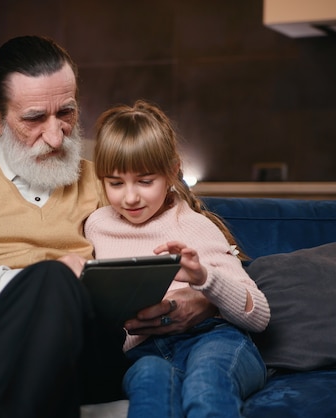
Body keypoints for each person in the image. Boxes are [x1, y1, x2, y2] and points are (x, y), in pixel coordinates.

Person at [0, 36, 217, 418]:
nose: (56, 135)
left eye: (66, 112)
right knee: (50, 281)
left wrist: (203, 301)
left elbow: (193, 249)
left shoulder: (109, 182)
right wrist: (27, 284)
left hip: (80, 345)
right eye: (34, 118)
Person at [84, 100, 271, 418]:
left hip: (213, 339)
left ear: (171, 172)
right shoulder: (97, 225)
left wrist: (204, 278)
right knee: (149, 379)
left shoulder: (194, 225)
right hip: (146, 352)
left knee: (207, 380)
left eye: (145, 181)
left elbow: (260, 316)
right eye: (115, 183)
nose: (130, 197)